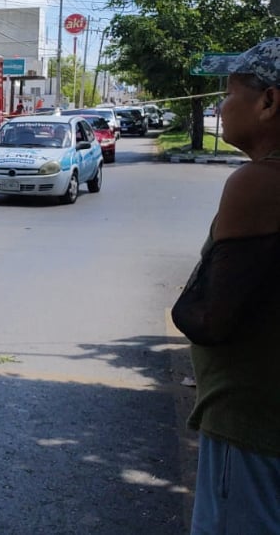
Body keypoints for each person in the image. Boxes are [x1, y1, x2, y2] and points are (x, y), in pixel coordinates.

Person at [171, 38, 280, 533]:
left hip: (251, 424)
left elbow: (206, 317)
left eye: (229, 92)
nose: (219, 105)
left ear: (269, 101)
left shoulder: (258, 184)